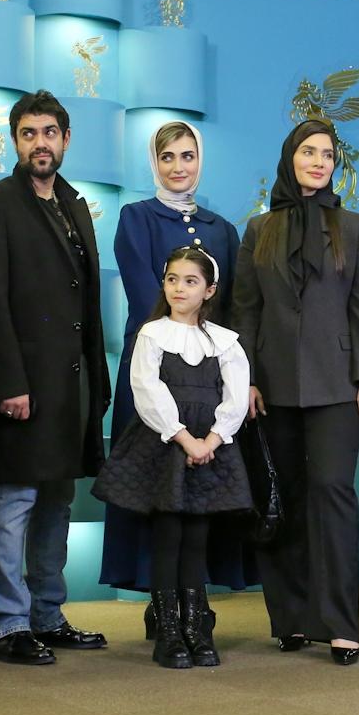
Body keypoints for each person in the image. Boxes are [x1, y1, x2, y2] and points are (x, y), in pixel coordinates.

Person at [0, 89, 110, 665]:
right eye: (28, 133)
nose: (39, 143)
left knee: (57, 500)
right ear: (14, 141)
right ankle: (6, 624)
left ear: (65, 139)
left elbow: (85, 302)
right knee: (14, 498)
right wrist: (6, 383)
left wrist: (96, 383)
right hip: (19, 383)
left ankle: (47, 614)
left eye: (49, 132)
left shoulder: (76, 205)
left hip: (70, 385)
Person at [232, 119, 359, 665]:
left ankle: (341, 625)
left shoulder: (354, 227)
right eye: (309, 151)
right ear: (289, 157)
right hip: (272, 386)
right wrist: (246, 378)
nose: (319, 162)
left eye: (327, 154)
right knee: (285, 497)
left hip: (338, 382)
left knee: (333, 492)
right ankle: (291, 619)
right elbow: (245, 310)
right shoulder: (259, 229)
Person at [98, 121, 247, 636]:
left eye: (188, 156)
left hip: (209, 381)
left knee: (201, 489)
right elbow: (148, 297)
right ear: (154, 162)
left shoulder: (222, 228)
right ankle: (159, 600)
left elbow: (229, 307)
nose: (178, 166)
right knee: (153, 485)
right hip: (154, 372)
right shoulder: (136, 217)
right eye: (167, 157)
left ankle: (194, 597)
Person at [94, 246, 251, 669]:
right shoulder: (152, 334)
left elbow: (236, 397)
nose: (179, 288)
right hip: (166, 446)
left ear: (209, 290)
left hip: (210, 447)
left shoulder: (225, 342)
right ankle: (168, 631)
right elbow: (147, 391)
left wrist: (211, 441)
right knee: (167, 537)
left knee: (197, 538)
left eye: (191, 281)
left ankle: (196, 628)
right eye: (172, 279)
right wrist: (185, 439)